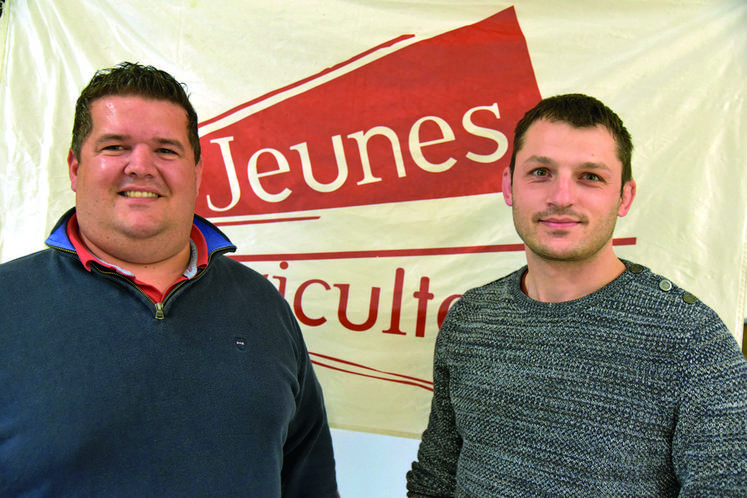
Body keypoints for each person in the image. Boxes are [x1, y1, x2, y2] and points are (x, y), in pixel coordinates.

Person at [0, 62, 338, 497]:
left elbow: (308, 482)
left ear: (196, 171)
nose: (141, 167)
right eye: (115, 146)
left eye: (166, 150)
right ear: (74, 168)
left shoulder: (262, 304)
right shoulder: (8, 303)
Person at [406, 93, 747, 497]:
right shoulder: (470, 318)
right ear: (508, 186)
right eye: (540, 172)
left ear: (624, 197)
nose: (562, 197)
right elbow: (436, 477)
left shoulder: (691, 340)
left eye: (591, 177)